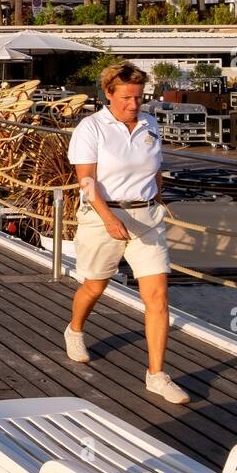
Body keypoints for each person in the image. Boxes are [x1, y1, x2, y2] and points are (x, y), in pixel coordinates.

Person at [65, 61, 188, 404]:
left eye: (139, 98)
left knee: (158, 296)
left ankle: (157, 375)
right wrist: (108, 218)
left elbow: (156, 168)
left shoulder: (150, 123)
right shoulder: (91, 129)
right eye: (127, 98)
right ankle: (75, 329)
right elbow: (86, 181)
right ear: (108, 93)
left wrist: (159, 200)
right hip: (103, 213)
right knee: (95, 284)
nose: (135, 105)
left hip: (146, 217)